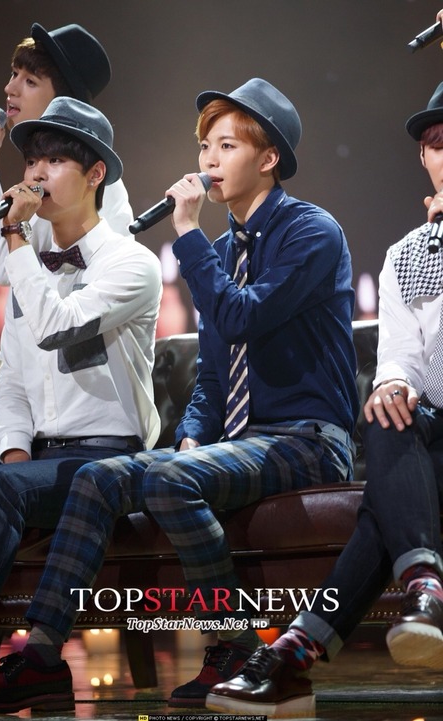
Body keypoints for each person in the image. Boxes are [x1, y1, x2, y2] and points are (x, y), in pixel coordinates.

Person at [0, 77, 358, 715]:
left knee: (170, 481)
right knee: (97, 479)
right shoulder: (221, 251)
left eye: (226, 146)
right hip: (238, 442)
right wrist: (193, 434)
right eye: (204, 146)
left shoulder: (312, 232)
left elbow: (241, 317)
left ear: (268, 159)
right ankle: (41, 658)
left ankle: (235, 649)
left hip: (306, 438)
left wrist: (188, 232)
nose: (208, 160)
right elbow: (215, 373)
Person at [205, 78, 443, 719]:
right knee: (387, 417)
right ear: (424, 158)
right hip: (435, 422)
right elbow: (402, 354)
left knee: (384, 503)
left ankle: (295, 655)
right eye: (437, 145)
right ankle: (422, 583)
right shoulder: (409, 253)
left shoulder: (311, 231)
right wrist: (392, 381)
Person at [0, 96, 161, 699]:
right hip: (42, 461)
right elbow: (13, 378)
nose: (36, 174)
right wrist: (15, 456)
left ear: (95, 174)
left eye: (53, 161)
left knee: (2, 486)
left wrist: (15, 234)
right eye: (31, 161)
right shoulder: (32, 265)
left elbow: (54, 327)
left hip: (108, 458)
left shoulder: (131, 264)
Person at [0, 22, 134, 412]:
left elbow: (5, 269)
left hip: (68, 371)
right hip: (19, 361)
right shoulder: (38, 178)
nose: (10, 88)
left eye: (30, 81)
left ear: (64, 100)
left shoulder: (96, 190)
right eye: (13, 74)